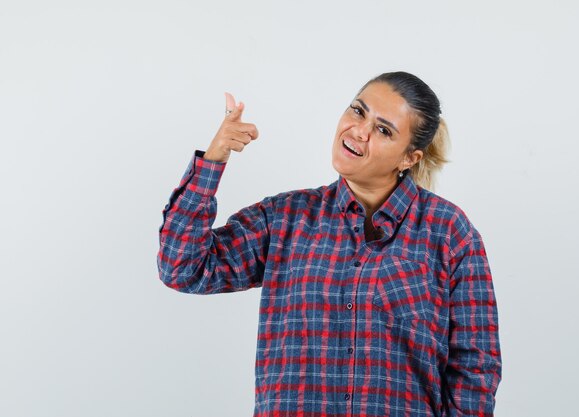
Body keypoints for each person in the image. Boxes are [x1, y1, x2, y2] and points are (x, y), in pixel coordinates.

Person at [157, 71, 502, 417]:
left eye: (383, 130)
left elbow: (476, 367)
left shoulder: (449, 232)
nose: (359, 131)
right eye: (358, 111)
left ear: (409, 158)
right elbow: (183, 267)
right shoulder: (286, 218)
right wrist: (214, 158)